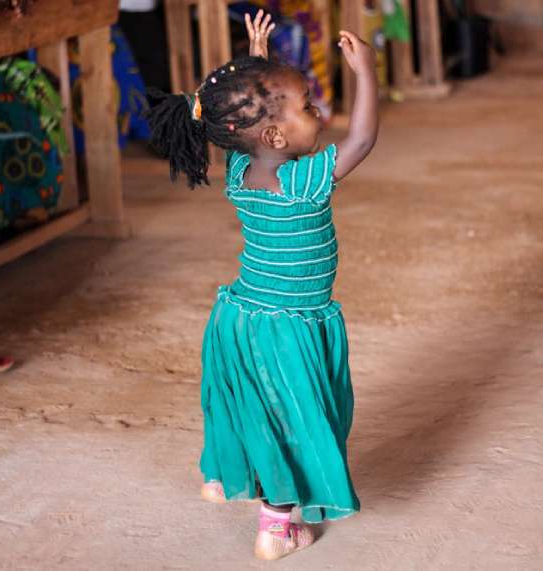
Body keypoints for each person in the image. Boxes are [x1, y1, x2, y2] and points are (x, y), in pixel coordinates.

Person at [146, 10, 378, 561]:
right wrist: (365, 72)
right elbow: (363, 139)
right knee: (293, 418)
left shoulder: (240, 170)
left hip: (242, 318)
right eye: (307, 106)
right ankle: (276, 527)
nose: (317, 109)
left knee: (247, 405)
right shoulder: (300, 181)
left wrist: (256, 61)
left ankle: (222, 476)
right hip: (287, 329)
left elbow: (236, 120)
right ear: (273, 133)